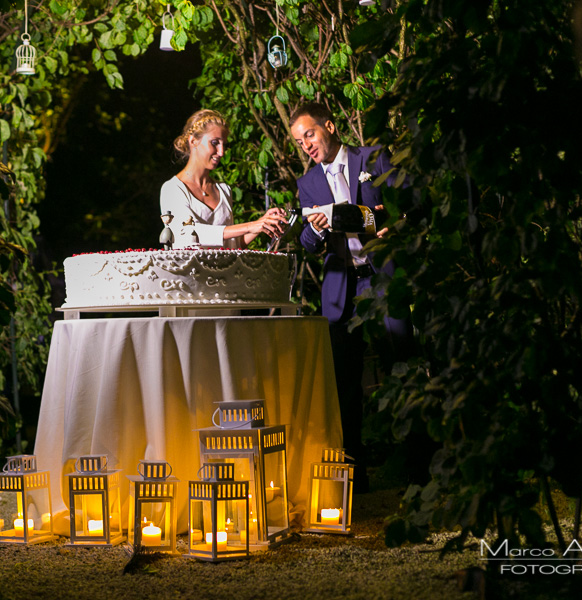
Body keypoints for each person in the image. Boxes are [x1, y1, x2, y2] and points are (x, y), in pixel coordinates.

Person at [290, 102, 413, 475]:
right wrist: (315, 229)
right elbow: (309, 245)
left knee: (401, 366)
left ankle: (415, 465)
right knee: (343, 384)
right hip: (341, 291)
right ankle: (351, 478)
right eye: (299, 141)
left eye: (309, 134)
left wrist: (389, 222)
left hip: (382, 277)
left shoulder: (372, 158)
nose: (306, 145)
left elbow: (405, 201)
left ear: (329, 126)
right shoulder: (307, 183)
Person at [160, 109, 285, 248]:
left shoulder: (223, 190)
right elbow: (188, 233)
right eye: (214, 143)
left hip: (224, 270)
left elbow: (232, 245)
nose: (221, 152)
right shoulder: (172, 189)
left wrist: (262, 223)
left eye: (224, 145)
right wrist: (250, 226)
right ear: (193, 141)